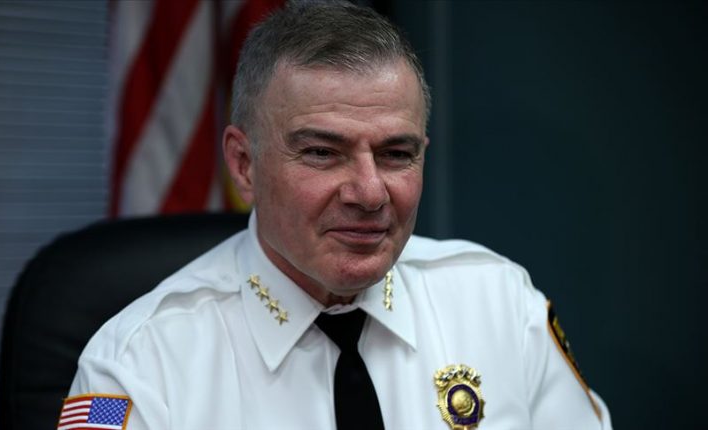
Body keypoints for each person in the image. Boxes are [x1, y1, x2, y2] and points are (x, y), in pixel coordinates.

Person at [61, 2, 612, 429]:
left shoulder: (501, 307)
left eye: (396, 154)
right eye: (322, 152)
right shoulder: (139, 365)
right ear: (244, 165)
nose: (369, 193)